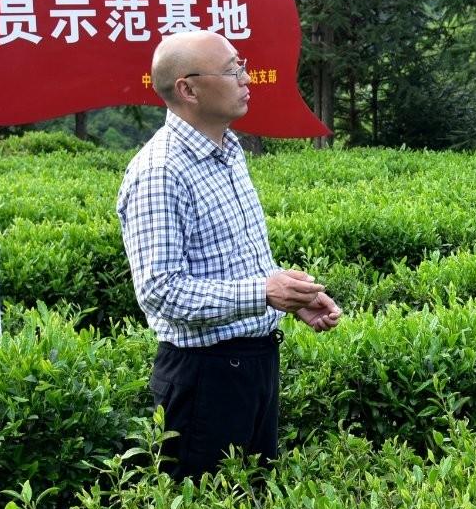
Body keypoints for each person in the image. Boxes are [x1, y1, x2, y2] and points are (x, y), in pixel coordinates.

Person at [117, 29, 340, 478]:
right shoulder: (160, 171)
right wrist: (263, 293)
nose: (246, 77)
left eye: (243, 65)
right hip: (205, 379)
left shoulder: (228, 150)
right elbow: (161, 292)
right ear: (188, 89)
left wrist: (290, 294)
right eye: (232, 69)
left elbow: (234, 259)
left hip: (254, 365)